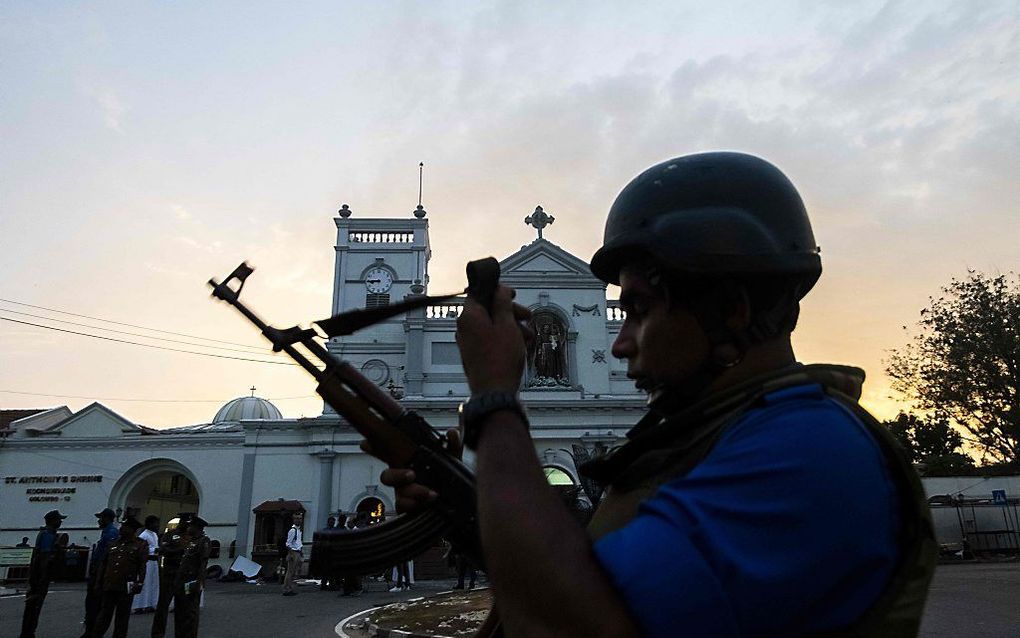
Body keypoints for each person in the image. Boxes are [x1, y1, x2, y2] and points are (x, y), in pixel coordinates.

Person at [379, 152, 936, 637]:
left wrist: (496, 402)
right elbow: (590, 572)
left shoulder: (808, 448)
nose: (619, 342)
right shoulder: (709, 436)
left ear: (732, 310)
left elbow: (571, 624)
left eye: (640, 311)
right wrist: (470, 502)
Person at [89, 517, 148, 638]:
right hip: (109, 584)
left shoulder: (140, 544)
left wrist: (140, 582)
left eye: (125, 527)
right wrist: (98, 583)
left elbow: (142, 566)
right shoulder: (114, 543)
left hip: (126, 586)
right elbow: (104, 564)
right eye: (122, 526)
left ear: (132, 530)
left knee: (122, 617)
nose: (121, 529)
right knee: (104, 615)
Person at [19, 509, 68, 638]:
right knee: (34, 606)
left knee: (33, 606)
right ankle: (28, 633)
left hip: (38, 576)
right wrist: (42, 580)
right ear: (53, 521)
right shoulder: (48, 535)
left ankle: (28, 632)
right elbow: (44, 559)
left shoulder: (46, 533)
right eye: (59, 520)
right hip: (40, 577)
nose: (60, 522)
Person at [81, 508, 120, 638]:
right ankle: (90, 630)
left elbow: (106, 556)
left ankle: (93, 632)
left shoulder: (111, 533)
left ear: (107, 518)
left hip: (100, 575)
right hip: (98, 573)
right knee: (93, 604)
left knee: (95, 604)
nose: (99, 521)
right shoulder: (107, 532)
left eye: (101, 518)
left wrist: (99, 575)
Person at [151, 514, 190, 638]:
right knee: (163, 605)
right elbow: (163, 549)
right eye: (185, 522)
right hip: (170, 573)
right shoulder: (170, 535)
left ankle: (181, 633)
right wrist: (179, 551)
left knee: (182, 607)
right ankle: (157, 633)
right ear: (181, 522)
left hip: (184, 575)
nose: (187, 525)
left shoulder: (191, 537)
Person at [172, 515, 210, 638]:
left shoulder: (203, 541)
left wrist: (199, 583)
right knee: (180, 612)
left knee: (190, 613)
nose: (188, 527)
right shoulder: (190, 541)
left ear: (197, 527)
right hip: (181, 581)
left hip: (191, 580)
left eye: (191, 525)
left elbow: (203, 563)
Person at [131, 515, 160, 614]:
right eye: (155, 523)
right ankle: (139, 605)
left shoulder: (154, 535)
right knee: (145, 583)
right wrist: (155, 550)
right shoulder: (144, 535)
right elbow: (140, 548)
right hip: (147, 561)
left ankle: (151, 603)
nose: (157, 525)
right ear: (150, 524)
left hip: (155, 562)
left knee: (153, 583)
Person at [281, 513, 303, 596]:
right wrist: (291, 554)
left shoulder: (298, 530)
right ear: (294, 520)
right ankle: (286, 588)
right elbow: (288, 543)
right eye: (297, 518)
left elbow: (298, 542)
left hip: (297, 551)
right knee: (290, 572)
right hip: (293, 552)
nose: (299, 520)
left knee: (292, 572)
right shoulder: (293, 530)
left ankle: (289, 587)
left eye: (300, 518)